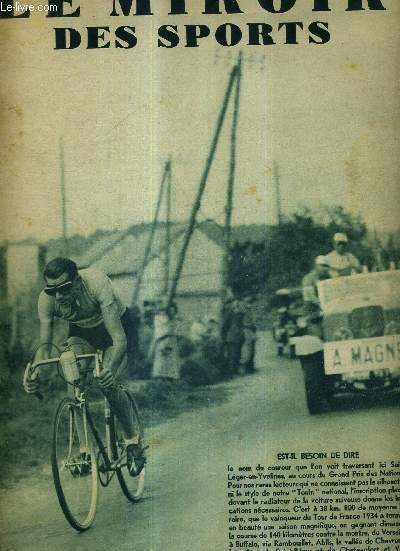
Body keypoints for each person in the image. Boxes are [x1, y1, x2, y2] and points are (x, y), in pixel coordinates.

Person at [23, 257, 145, 475]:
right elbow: (44, 347)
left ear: (77, 281)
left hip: (115, 329)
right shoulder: (46, 300)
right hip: (82, 333)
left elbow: (119, 340)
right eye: (52, 291)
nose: (58, 296)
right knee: (72, 377)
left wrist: (109, 369)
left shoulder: (97, 284)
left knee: (107, 382)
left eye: (65, 288)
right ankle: (85, 451)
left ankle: (132, 441)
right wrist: (36, 370)